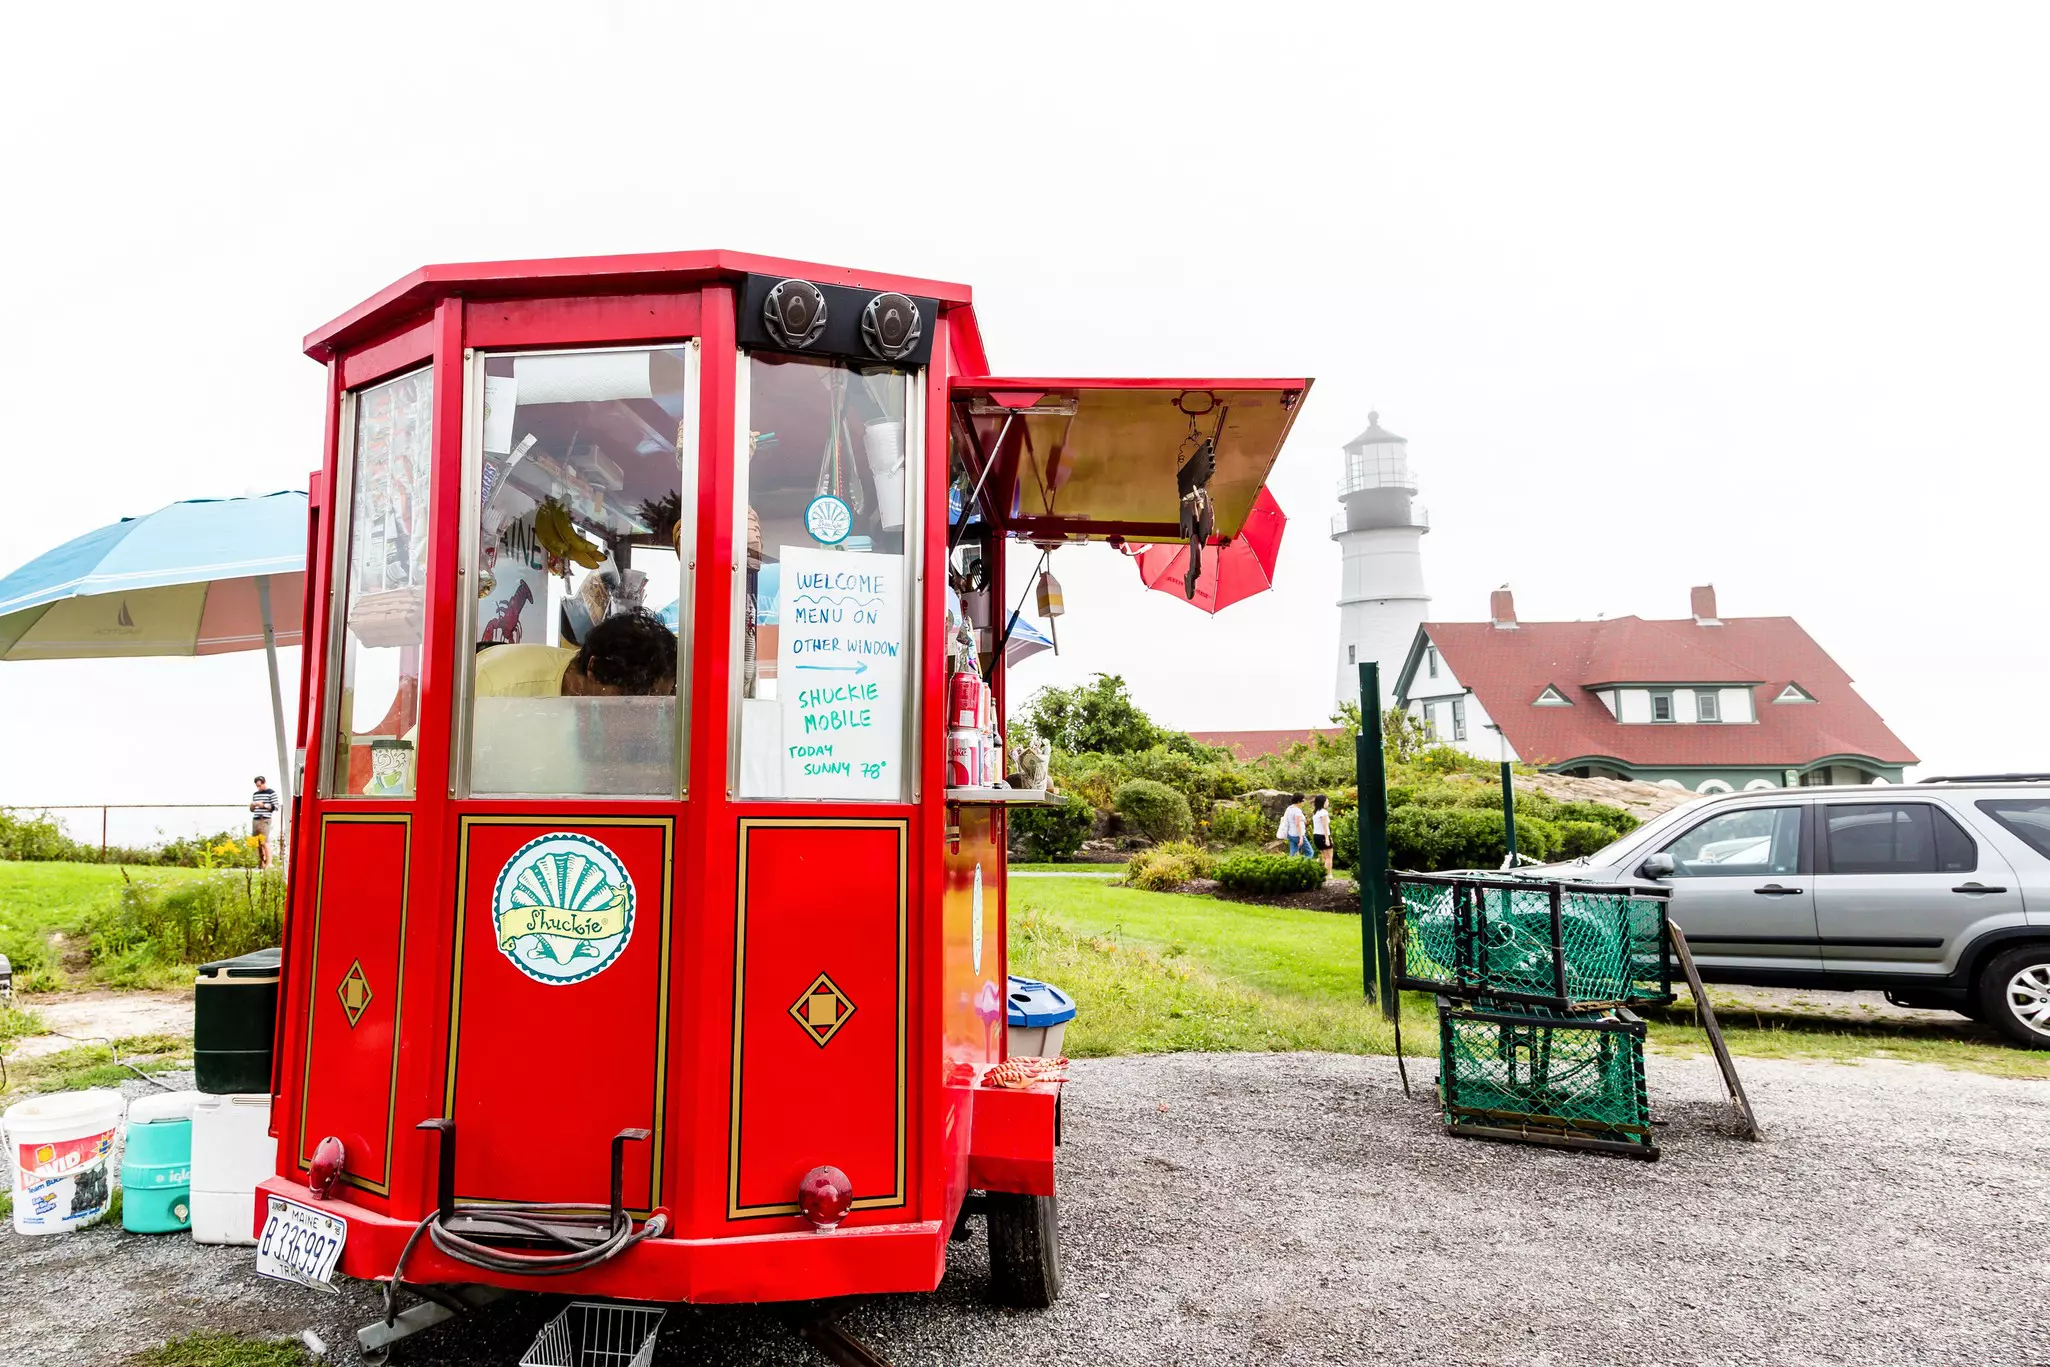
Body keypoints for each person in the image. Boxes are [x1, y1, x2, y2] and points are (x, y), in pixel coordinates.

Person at [475, 609, 678, 699]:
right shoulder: (495, 688)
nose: (645, 713)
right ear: (594, 668)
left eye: (658, 699)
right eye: (632, 698)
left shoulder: (592, 696)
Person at [249, 776, 279, 869]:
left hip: (265, 818)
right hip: (256, 818)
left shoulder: (271, 793)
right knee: (257, 842)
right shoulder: (255, 794)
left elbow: (276, 807)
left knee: (265, 841)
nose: (259, 787)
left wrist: (264, 805)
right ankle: (262, 862)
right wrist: (252, 806)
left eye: (260, 785)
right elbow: (252, 810)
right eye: (257, 786)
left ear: (264, 783)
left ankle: (269, 863)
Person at [1277, 792, 1309, 858]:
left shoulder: (1289, 808)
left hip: (1290, 834)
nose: (1304, 802)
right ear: (1298, 801)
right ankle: (1305, 866)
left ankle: (1291, 866)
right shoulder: (1297, 811)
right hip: (1297, 834)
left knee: (1293, 853)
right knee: (1309, 852)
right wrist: (1301, 838)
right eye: (1303, 800)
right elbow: (1297, 824)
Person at [1311, 794, 1334, 872]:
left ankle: (1312, 867)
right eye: (1327, 801)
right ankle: (1329, 875)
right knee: (1329, 857)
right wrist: (1327, 839)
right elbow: (1325, 826)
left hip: (1316, 836)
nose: (1328, 803)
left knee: (1324, 857)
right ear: (1323, 802)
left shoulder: (1315, 812)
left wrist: (1329, 837)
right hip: (1323, 836)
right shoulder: (1323, 812)